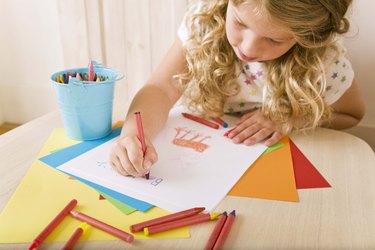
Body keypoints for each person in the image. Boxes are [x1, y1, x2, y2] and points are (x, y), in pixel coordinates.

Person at [110, 0, 365, 177]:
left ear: (309, 36)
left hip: (270, 165)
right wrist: (132, 135)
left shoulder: (324, 60)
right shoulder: (203, 23)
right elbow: (161, 89)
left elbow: (352, 115)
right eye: (240, 23)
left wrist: (289, 119)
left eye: (274, 39)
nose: (250, 48)